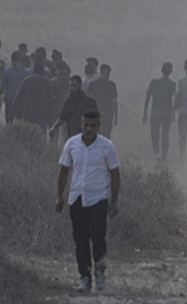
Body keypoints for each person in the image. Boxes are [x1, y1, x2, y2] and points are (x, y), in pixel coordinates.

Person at [55, 110, 120, 293]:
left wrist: (114, 202)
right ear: (81, 124)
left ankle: (100, 274)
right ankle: (85, 277)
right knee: (80, 240)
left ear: (99, 126)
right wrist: (59, 197)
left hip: (99, 198)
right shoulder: (72, 143)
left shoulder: (107, 146)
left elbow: (115, 175)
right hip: (77, 198)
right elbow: (63, 172)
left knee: (98, 237)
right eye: (86, 125)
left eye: (93, 125)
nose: (89, 129)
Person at [142, 62, 177, 160]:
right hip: (166, 114)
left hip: (155, 113)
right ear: (170, 72)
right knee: (165, 135)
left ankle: (157, 153)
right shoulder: (172, 84)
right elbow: (177, 99)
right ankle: (164, 156)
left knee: (155, 135)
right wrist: (173, 111)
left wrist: (144, 113)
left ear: (162, 71)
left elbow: (147, 98)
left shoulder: (154, 82)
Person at [50, 75, 95, 141]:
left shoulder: (87, 102)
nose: (72, 88)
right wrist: (53, 128)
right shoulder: (69, 102)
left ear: (80, 85)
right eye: (71, 86)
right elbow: (62, 117)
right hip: (72, 135)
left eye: (74, 85)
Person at [0, 52, 30, 125]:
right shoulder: (26, 71)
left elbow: (1, 85)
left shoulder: (7, 70)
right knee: (19, 120)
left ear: (12, 59)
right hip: (21, 100)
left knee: (9, 121)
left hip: (9, 99)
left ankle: (9, 134)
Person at [84, 63, 118, 138]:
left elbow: (114, 101)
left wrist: (116, 115)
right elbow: (86, 99)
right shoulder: (93, 84)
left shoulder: (112, 85)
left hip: (107, 114)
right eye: (106, 72)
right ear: (101, 72)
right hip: (96, 113)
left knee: (106, 134)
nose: (108, 75)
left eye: (109, 73)